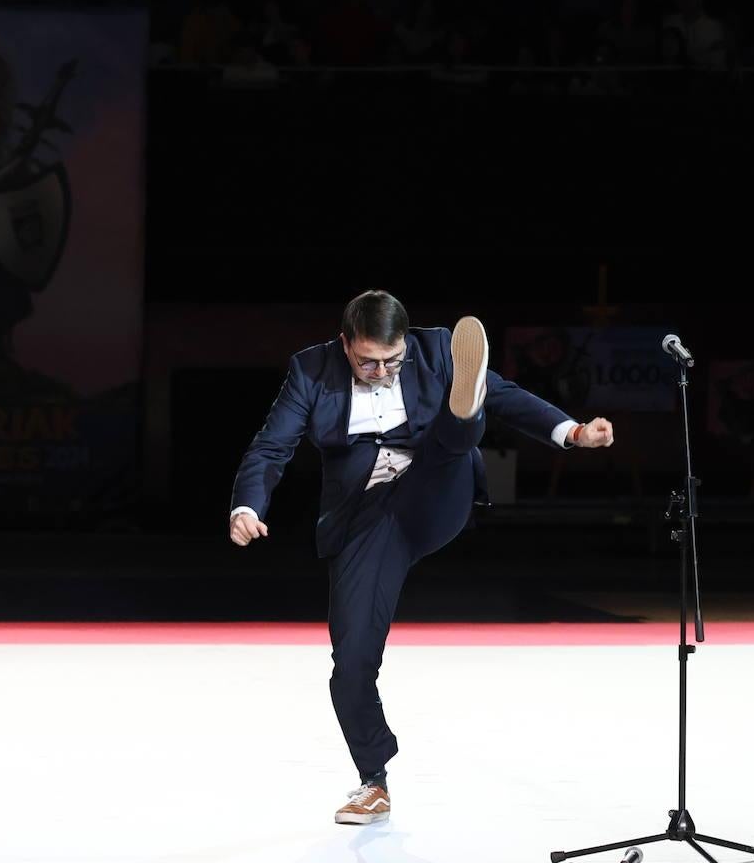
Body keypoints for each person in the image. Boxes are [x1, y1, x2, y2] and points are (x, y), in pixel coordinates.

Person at [228, 290, 614, 825]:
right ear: (344, 345)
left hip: (436, 489)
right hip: (369, 515)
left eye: (392, 359)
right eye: (367, 361)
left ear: (406, 343)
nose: (382, 371)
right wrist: (247, 506)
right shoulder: (311, 371)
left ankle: (464, 407)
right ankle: (373, 781)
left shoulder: (434, 350)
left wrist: (570, 431)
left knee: (453, 437)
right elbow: (271, 447)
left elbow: (509, 396)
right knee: (352, 659)